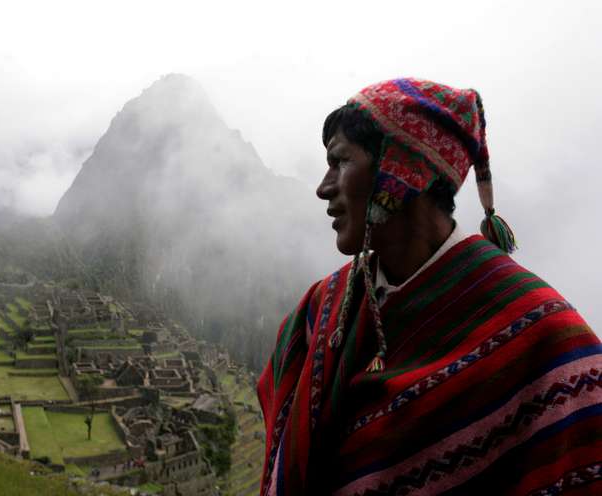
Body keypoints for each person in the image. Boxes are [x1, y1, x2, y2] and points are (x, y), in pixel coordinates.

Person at [257, 78, 602, 495]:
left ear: (400, 172)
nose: (323, 187)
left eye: (341, 161)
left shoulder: (544, 340)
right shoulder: (318, 313)